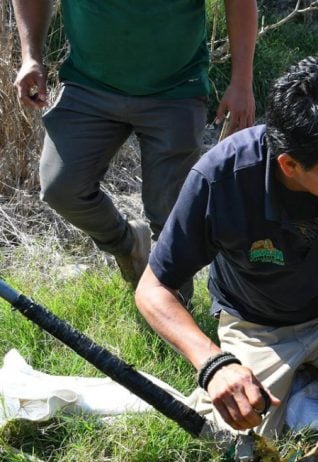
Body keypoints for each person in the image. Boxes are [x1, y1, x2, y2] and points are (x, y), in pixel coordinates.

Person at [135, 57, 318, 462]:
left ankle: (307, 381)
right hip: (255, 325)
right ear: (291, 164)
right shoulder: (221, 178)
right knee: (230, 443)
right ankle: (297, 383)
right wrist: (214, 364)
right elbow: (153, 289)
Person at [11, 0, 258, 298]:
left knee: (170, 213)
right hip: (88, 84)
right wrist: (31, 57)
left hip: (176, 89)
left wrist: (242, 82)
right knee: (61, 188)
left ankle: (171, 311)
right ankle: (126, 243)